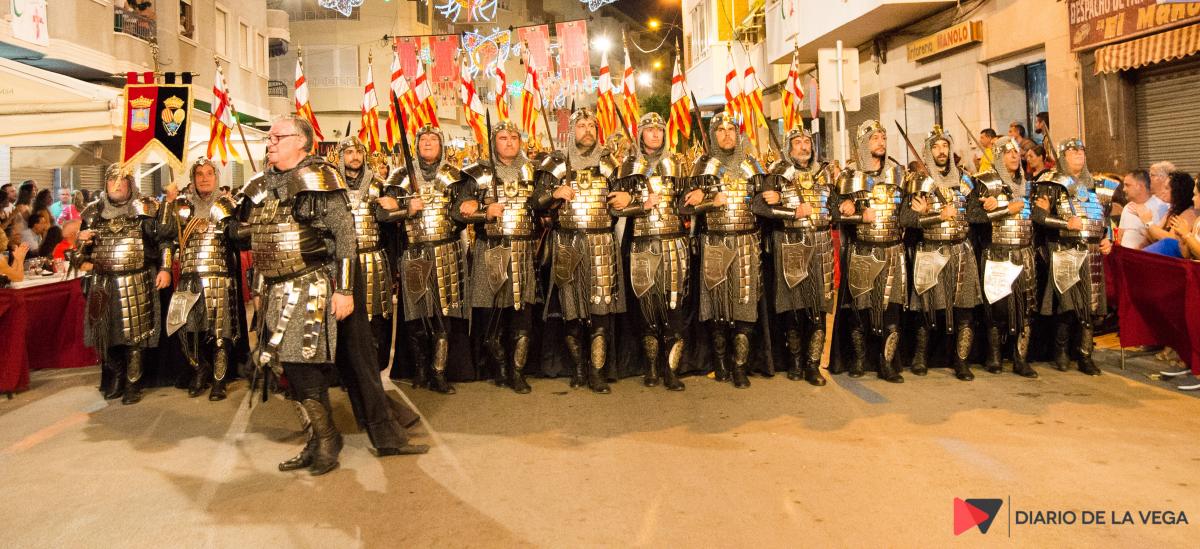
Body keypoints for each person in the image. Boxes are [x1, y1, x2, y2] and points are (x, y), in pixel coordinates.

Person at [238, 116, 364, 475]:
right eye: (269, 137)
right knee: (284, 368)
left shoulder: (320, 178)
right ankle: (316, 439)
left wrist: (345, 289)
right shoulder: (264, 183)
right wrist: (259, 289)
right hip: (274, 290)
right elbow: (263, 240)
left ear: (301, 141)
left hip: (308, 287)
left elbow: (345, 235)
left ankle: (327, 439)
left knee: (303, 368)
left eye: (278, 136)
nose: (270, 142)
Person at [533, 107, 631, 393]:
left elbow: (627, 197)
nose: (587, 130)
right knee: (571, 311)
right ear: (571, 130)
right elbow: (535, 202)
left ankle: (597, 372)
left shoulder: (609, 162)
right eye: (581, 125)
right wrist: (553, 194)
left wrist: (627, 197)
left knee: (600, 310)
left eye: (591, 126)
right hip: (567, 243)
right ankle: (577, 368)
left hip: (602, 243)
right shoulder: (556, 163)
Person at [458, 120, 548, 393]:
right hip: (490, 249)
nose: (509, 143)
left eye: (513, 138)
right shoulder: (478, 173)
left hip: (523, 250)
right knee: (492, 314)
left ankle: (517, 372)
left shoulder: (532, 170)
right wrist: (481, 212)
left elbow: (543, 204)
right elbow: (457, 213)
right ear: (493, 142)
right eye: (503, 138)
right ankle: (500, 369)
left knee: (522, 313)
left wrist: (549, 205)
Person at [385, 124, 468, 395]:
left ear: (441, 145)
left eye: (434, 138)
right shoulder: (400, 177)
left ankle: (439, 372)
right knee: (417, 316)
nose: (429, 142)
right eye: (424, 139)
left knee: (444, 316)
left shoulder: (454, 176)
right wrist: (406, 209)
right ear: (416, 145)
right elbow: (383, 215)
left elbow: (461, 213)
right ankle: (420, 369)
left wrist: (465, 210)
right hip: (414, 252)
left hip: (446, 251)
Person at [610, 112, 691, 391]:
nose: (655, 134)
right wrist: (639, 203)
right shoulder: (627, 167)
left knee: (673, 307)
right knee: (646, 308)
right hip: (641, 245)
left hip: (674, 243)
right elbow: (614, 209)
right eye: (649, 129)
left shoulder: (676, 164)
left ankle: (671, 370)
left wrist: (696, 199)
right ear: (640, 134)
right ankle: (651, 367)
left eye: (660, 129)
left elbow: (686, 205)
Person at [688, 112, 769, 389]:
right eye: (720, 130)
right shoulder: (703, 166)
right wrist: (709, 200)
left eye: (731, 129)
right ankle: (720, 362)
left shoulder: (752, 164)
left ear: (738, 133)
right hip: (715, 242)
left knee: (744, 305)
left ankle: (740, 366)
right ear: (713, 135)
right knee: (717, 305)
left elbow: (765, 204)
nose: (726, 135)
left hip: (747, 242)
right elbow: (686, 207)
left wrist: (773, 196)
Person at [79, 165, 167, 404]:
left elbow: (164, 242)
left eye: (122, 180)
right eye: (112, 180)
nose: (117, 185)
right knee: (102, 334)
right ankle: (116, 375)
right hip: (102, 281)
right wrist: (81, 243)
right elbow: (79, 258)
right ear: (105, 184)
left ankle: (132, 383)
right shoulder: (93, 213)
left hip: (136, 279)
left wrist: (165, 268)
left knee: (135, 336)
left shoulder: (145, 208)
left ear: (131, 183)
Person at [158, 158, 244, 401]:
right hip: (188, 277)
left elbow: (237, 237)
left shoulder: (227, 205)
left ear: (216, 177)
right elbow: (166, 238)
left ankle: (219, 379)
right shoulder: (182, 208)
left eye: (209, 173)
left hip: (218, 276)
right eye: (199, 174)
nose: (204, 178)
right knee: (183, 329)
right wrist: (165, 267)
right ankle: (199, 367)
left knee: (220, 333)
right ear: (193, 179)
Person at [900, 126, 981, 381]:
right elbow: (905, 218)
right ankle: (920, 357)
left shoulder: (965, 180)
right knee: (927, 309)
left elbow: (976, 214)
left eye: (944, 145)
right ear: (928, 151)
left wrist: (989, 205)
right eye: (935, 147)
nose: (941, 150)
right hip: (930, 250)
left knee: (964, 310)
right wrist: (931, 215)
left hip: (961, 250)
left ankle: (961, 361)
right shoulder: (918, 182)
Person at [829, 120, 907, 383]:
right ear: (863, 143)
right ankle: (859, 360)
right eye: (874, 138)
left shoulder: (898, 173)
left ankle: (887, 364)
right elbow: (833, 213)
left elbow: (907, 211)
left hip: (893, 250)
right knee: (859, 309)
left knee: (891, 311)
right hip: (862, 249)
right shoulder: (848, 176)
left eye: (883, 137)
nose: (881, 142)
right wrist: (851, 211)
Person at [756, 126, 835, 386]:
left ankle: (813, 364)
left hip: (821, 243)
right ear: (789, 147)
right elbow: (759, 207)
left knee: (818, 308)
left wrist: (845, 206)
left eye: (807, 141)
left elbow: (834, 205)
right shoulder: (778, 173)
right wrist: (786, 206)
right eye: (798, 142)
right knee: (793, 307)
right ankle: (796, 361)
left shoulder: (824, 173)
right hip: (790, 242)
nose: (804, 146)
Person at [1031, 138, 1114, 376]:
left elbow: (1104, 218)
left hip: (1092, 253)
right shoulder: (1051, 184)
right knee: (1066, 307)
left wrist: (1107, 238)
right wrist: (1065, 223)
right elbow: (1038, 217)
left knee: (1090, 307)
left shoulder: (1097, 185)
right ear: (1063, 157)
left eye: (1081, 151)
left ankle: (1085, 355)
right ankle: (1061, 352)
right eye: (1073, 151)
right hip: (1065, 250)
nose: (1079, 154)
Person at [967, 136, 1038, 378]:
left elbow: (1035, 218)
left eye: (1016, 151)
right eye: (1008, 152)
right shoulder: (985, 183)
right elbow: (973, 216)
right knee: (998, 308)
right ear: (998, 156)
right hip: (997, 252)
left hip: (1024, 252)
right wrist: (1004, 209)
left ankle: (1020, 359)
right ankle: (994, 357)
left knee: (1025, 309)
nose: (1015, 156)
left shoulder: (1029, 185)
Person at [1143, 172, 1199, 258]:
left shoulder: (1190, 212)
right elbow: (1153, 237)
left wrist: (1148, 222)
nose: (1162, 191)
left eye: (1167, 188)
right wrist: (1148, 224)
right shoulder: (1171, 210)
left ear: (1178, 191)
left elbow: (1171, 240)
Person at [1118, 169, 1169, 249]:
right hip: (1124, 254)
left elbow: (1159, 240)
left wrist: (1145, 223)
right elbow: (1120, 235)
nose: (1124, 189)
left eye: (1127, 185)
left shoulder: (1161, 207)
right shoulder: (1127, 207)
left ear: (1140, 186)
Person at [1169, 176, 1200, 260]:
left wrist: (1186, 234)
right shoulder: (1198, 220)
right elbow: (1186, 255)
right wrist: (1182, 238)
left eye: (1195, 195)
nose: (1193, 198)